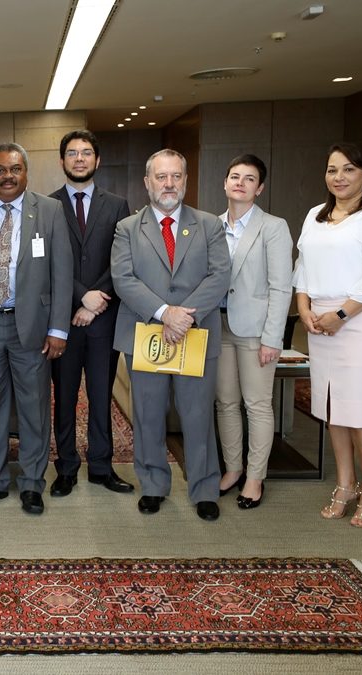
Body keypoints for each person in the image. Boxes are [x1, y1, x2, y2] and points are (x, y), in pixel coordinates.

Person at [0, 142, 74, 515]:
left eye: (15, 169)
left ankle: (33, 483)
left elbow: (63, 272)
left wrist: (58, 329)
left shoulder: (50, 211)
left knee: (34, 406)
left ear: (26, 172)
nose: (8, 176)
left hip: (32, 327)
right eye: (1, 169)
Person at [111, 149, 230, 521]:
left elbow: (219, 275)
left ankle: (205, 488)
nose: (169, 184)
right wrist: (165, 313)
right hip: (146, 332)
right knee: (148, 414)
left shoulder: (209, 224)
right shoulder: (128, 228)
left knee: (197, 415)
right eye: (161, 177)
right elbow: (123, 278)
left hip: (196, 333)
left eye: (176, 176)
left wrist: (184, 317)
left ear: (186, 181)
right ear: (147, 182)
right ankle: (153, 485)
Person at [293, 142, 362, 527]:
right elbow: (303, 266)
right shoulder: (314, 216)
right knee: (332, 407)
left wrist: (341, 314)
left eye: (349, 169)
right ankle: (345, 484)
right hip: (320, 321)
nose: (339, 177)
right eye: (332, 169)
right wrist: (304, 307)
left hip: (361, 320)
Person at [48, 130, 133, 498]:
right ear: (62, 161)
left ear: (97, 160)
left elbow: (123, 259)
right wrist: (82, 298)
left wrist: (98, 299)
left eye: (86, 153)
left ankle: (101, 466)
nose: (79, 159)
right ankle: (66, 467)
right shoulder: (46, 206)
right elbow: (47, 264)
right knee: (64, 397)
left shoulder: (116, 205)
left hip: (104, 318)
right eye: (72, 153)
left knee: (101, 396)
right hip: (62, 321)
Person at [214, 155, 293, 509]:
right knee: (225, 402)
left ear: (259, 188)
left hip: (255, 331)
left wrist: (272, 338)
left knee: (257, 404)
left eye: (249, 179)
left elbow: (281, 288)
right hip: (218, 326)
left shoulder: (273, 227)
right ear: (225, 183)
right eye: (235, 176)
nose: (240, 183)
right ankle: (233, 469)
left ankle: (255, 477)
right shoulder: (212, 226)